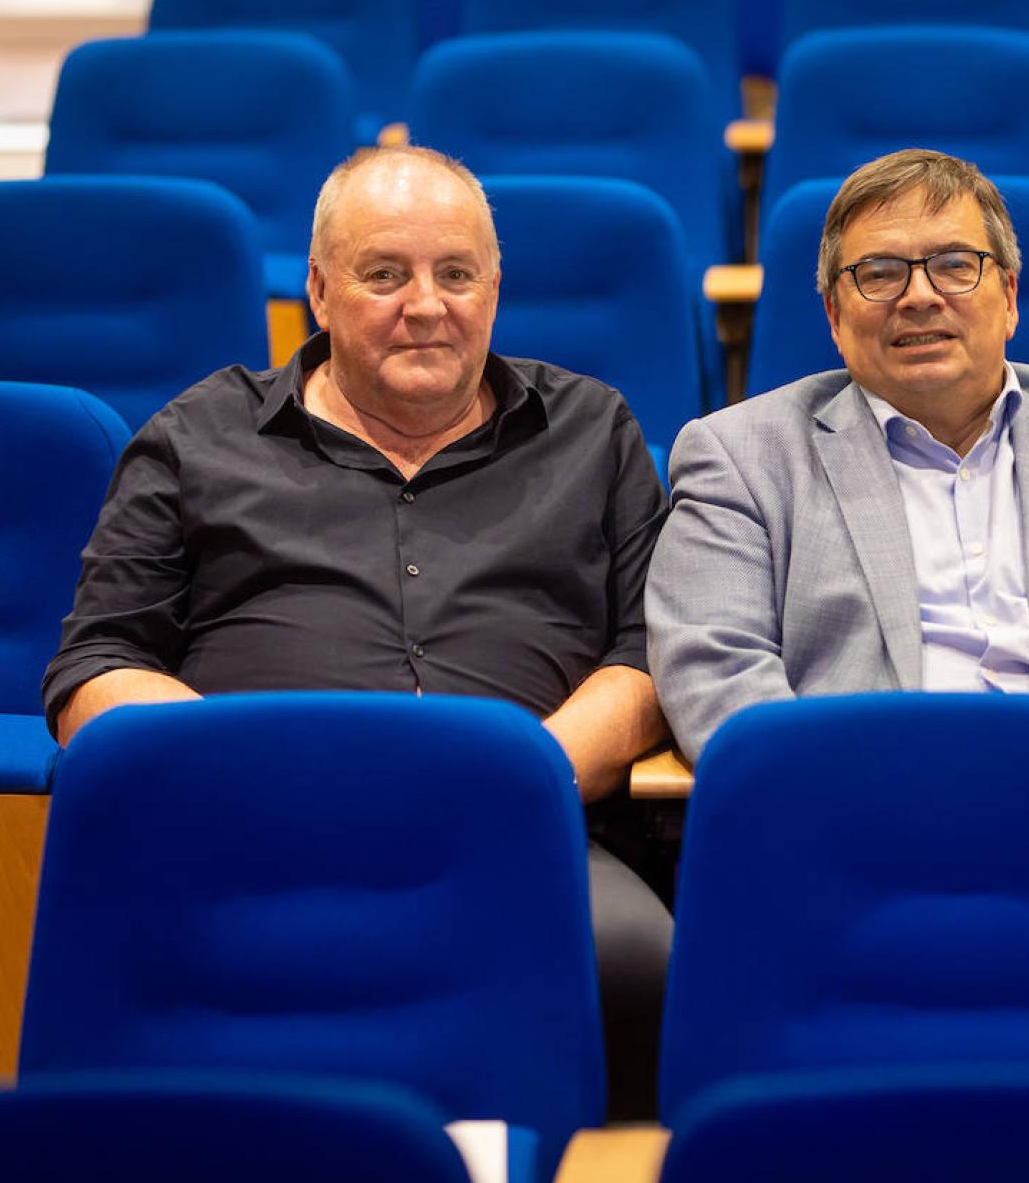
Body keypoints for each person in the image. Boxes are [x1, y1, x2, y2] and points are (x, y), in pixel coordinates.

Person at [42, 145, 673, 1121]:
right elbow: (95, 664)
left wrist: (518, 778)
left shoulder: (594, 431)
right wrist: (251, 772)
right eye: (385, 274)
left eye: (456, 273)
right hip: (244, 838)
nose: (427, 304)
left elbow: (645, 654)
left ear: (494, 289)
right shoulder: (196, 435)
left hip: (521, 836)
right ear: (319, 292)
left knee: (642, 958)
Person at [646, 148, 1029, 761]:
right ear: (834, 317)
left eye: (955, 265)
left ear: (1009, 297)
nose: (919, 296)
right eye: (878, 273)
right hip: (850, 825)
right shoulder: (738, 459)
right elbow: (715, 679)